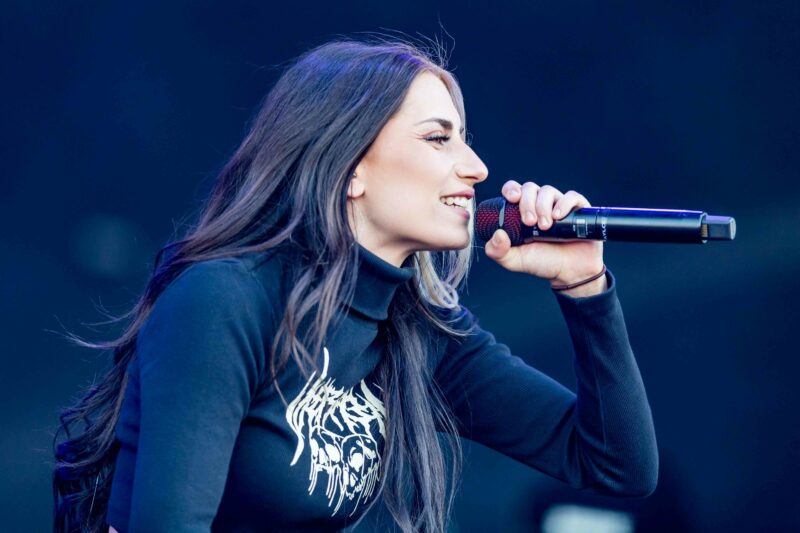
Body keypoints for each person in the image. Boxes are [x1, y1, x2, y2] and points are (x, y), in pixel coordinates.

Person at [52, 36, 658, 533]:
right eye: (438, 138)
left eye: (464, 140)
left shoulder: (418, 329)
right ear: (349, 168)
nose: (476, 168)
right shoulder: (223, 301)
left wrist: (585, 285)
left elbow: (615, 465)